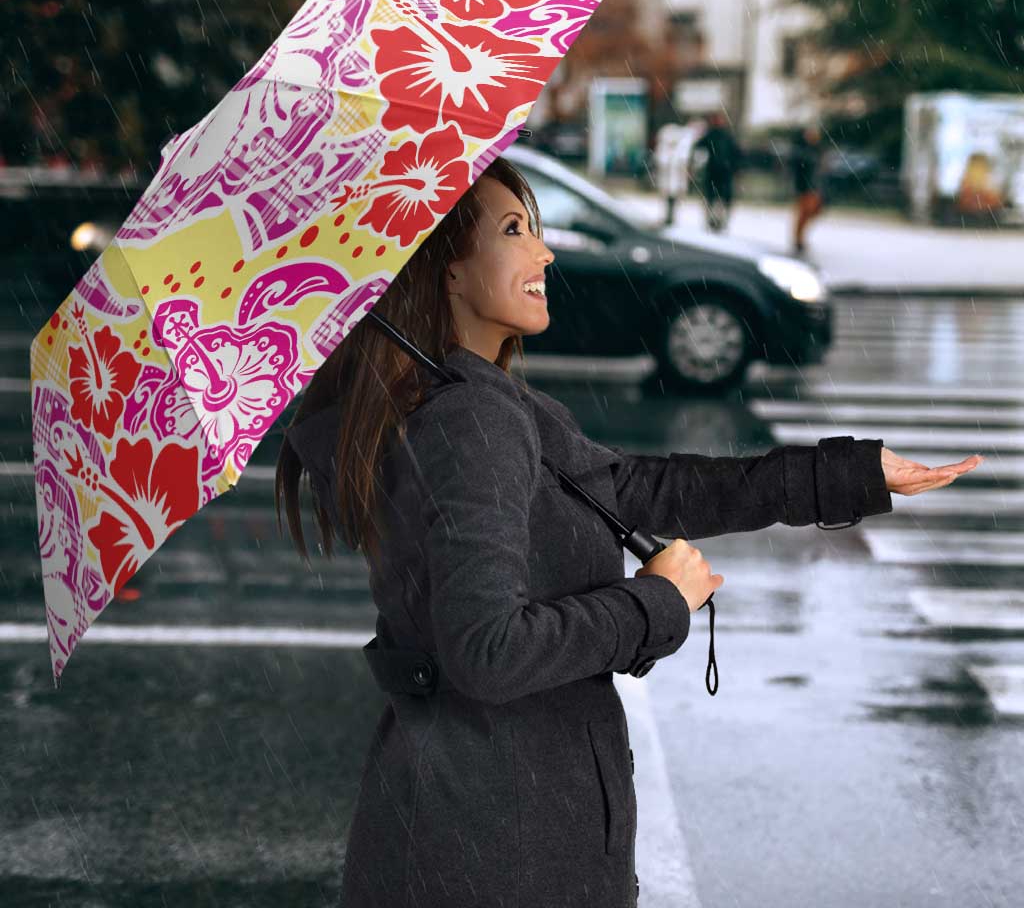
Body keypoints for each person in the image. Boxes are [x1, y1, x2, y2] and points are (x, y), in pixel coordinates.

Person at [276, 155, 982, 908]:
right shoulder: (469, 420)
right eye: (514, 230)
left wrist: (849, 474)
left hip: (477, 827)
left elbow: (642, 489)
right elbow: (487, 651)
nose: (544, 252)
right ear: (446, 270)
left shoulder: (478, 403)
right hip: (497, 845)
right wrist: (655, 603)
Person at [692, 110, 742, 233]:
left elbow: (736, 154)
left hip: (723, 172)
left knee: (720, 199)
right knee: (713, 198)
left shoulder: (725, 136)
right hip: (715, 172)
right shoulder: (712, 135)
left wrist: (735, 168)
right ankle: (713, 221)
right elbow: (698, 148)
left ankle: (719, 221)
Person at [790, 123, 826, 254]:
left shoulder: (817, 150)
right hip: (805, 187)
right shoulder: (802, 151)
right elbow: (799, 170)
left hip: (814, 187)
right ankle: (798, 239)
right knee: (804, 213)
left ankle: (799, 238)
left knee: (812, 212)